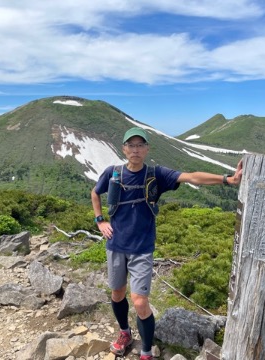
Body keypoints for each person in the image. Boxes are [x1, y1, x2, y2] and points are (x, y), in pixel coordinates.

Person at [90, 127, 242, 359]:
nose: (136, 150)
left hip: (142, 248)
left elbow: (191, 177)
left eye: (140, 145)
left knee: (140, 302)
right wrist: (100, 220)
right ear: (124, 148)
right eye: (131, 145)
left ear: (147, 149)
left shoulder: (156, 174)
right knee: (117, 294)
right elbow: (95, 192)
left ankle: (146, 350)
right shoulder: (113, 172)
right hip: (115, 245)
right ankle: (125, 333)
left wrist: (227, 179)